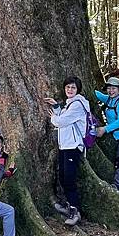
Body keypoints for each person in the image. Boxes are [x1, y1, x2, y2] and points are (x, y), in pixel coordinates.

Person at [44, 75, 91, 226]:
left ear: (78, 90)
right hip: (65, 146)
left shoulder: (77, 104)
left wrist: (53, 118)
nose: (70, 90)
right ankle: (69, 206)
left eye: (73, 87)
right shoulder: (69, 104)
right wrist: (57, 107)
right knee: (63, 177)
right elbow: (64, 117)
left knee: (69, 179)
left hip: (73, 147)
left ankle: (75, 211)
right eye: (67, 87)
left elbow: (61, 121)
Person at [94, 76, 119, 191]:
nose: (111, 91)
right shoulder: (109, 99)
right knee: (115, 160)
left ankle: (117, 187)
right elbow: (96, 94)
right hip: (114, 137)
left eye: (114, 89)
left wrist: (104, 129)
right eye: (109, 88)